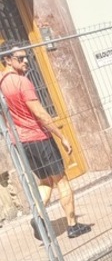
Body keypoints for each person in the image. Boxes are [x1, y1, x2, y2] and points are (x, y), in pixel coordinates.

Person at [0, 49, 90, 239]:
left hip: (22, 142)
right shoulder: (21, 82)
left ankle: (38, 217)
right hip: (39, 137)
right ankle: (73, 225)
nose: (26, 61)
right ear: (7, 59)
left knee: (45, 180)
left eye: (27, 57)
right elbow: (40, 113)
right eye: (20, 58)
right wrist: (61, 135)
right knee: (61, 180)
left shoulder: (1, 84)